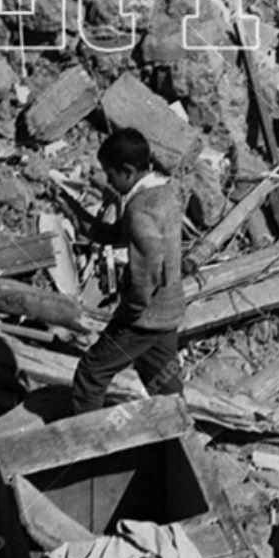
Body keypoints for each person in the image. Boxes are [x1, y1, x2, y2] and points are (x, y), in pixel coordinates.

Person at [68, 129, 186, 412]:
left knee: (91, 375)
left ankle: (90, 450)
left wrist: (131, 311)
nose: (108, 182)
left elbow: (149, 271)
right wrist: (78, 213)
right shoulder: (164, 193)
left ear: (128, 171)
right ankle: (180, 440)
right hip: (168, 311)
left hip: (144, 317)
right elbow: (117, 235)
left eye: (111, 175)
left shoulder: (140, 210)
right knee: (163, 383)